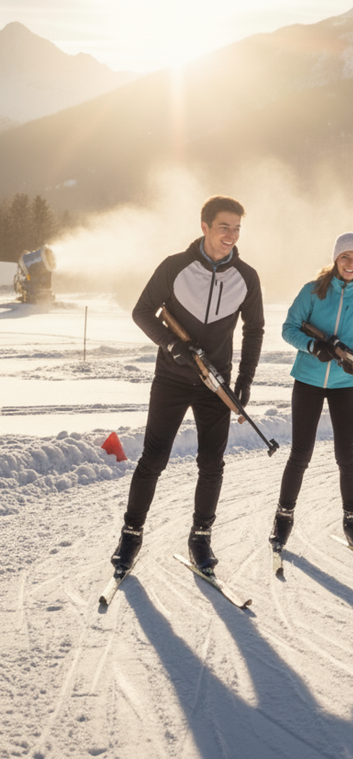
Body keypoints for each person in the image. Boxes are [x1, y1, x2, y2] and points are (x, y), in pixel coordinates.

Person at [110, 195, 265, 572]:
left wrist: (243, 381)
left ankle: (201, 538)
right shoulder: (175, 267)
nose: (231, 235)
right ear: (205, 227)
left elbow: (255, 329)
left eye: (237, 228)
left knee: (212, 464)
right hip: (172, 379)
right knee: (154, 458)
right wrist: (172, 345)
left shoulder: (246, 277)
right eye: (224, 226)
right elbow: (142, 311)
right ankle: (131, 534)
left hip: (217, 385)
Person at [271, 232, 353, 553]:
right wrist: (312, 346)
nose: (351, 263)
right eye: (346, 257)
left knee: (347, 456)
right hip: (307, 380)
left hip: (344, 385)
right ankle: (283, 517)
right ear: (335, 258)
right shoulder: (312, 291)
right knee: (300, 454)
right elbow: (289, 327)